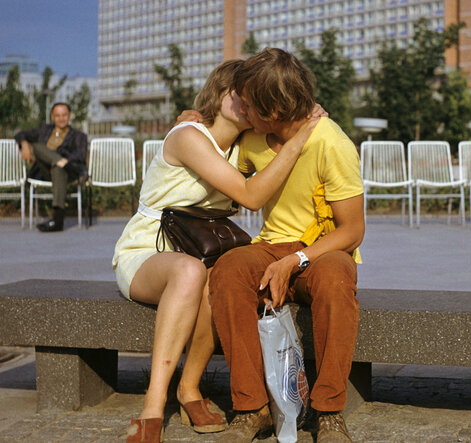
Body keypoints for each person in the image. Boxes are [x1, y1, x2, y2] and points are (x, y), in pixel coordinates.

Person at [112, 59, 320, 443]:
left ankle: (188, 388)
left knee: (217, 272)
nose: (243, 98)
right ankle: (154, 406)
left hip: (198, 257)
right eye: (235, 89)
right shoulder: (188, 136)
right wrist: (300, 138)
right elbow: (251, 196)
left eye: (251, 93)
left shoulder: (243, 148)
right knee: (192, 271)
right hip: (146, 252)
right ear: (218, 90)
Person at [204, 48, 364, 443]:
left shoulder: (332, 143)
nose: (242, 108)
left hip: (323, 250)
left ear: (274, 109)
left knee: (335, 282)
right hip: (270, 245)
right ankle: (251, 409)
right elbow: (213, 154)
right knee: (229, 269)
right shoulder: (252, 136)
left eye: (248, 103)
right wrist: (194, 121)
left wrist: (295, 260)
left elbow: (353, 230)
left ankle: (329, 414)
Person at [14, 102, 88, 232]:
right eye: (57, 115)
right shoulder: (44, 130)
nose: (61, 118)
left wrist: (66, 161)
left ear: (69, 116)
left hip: (69, 173)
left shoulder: (79, 136)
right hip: (45, 172)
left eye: (64, 115)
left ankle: (58, 220)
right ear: (52, 117)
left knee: (58, 169)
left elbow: (80, 155)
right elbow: (20, 134)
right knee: (37, 147)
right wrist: (24, 144)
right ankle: (60, 163)